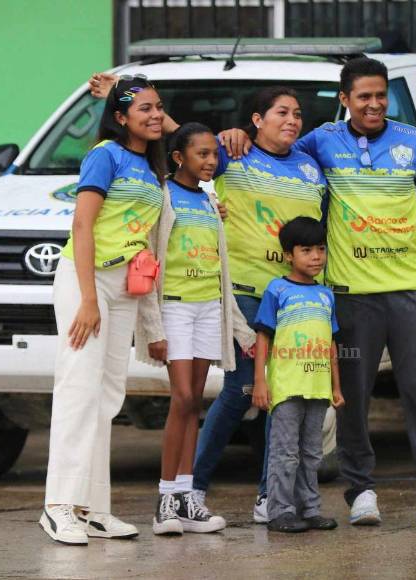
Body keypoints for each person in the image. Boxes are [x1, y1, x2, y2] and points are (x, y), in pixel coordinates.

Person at [222, 57, 416, 526]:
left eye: (381, 95)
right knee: (353, 398)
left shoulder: (413, 141)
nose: (374, 104)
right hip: (349, 296)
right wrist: (231, 135)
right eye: (364, 97)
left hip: (409, 291)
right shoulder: (320, 141)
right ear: (345, 101)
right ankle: (361, 491)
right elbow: (270, 147)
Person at [89, 75, 327, 522]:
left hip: (260, 302)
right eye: (282, 112)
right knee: (212, 394)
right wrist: (121, 96)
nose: (292, 120)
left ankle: (221, 498)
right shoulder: (206, 171)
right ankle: (181, 492)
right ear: (256, 121)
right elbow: (186, 145)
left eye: (297, 114)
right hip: (211, 298)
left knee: (235, 397)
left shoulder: (295, 170)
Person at [41, 74, 167, 545]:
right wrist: (89, 299)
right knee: (78, 388)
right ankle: (58, 506)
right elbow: (82, 223)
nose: (155, 115)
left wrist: (130, 90)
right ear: (120, 118)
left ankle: (92, 508)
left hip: (126, 289)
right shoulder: (105, 155)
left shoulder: (150, 165)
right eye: (143, 109)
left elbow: (177, 134)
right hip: (86, 281)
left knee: (108, 395)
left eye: (158, 107)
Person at [133, 123, 255, 535]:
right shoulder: (161, 196)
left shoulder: (209, 200)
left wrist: (241, 330)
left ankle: (187, 499)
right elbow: (147, 259)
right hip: (174, 309)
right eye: (201, 154)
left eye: (214, 155)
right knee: (181, 398)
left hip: (209, 309)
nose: (210, 162)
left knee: (195, 402)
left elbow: (222, 272)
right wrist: (152, 326)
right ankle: (165, 499)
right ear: (178, 157)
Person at [252, 217, 344, 533]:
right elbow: (263, 338)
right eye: (306, 250)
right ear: (289, 255)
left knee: (312, 453)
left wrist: (336, 387)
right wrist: (260, 382)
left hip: (318, 388)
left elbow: (331, 344)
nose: (316, 256)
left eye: (320, 249)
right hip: (287, 387)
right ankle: (280, 512)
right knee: (285, 453)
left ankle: (310, 509)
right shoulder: (277, 290)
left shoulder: (326, 295)